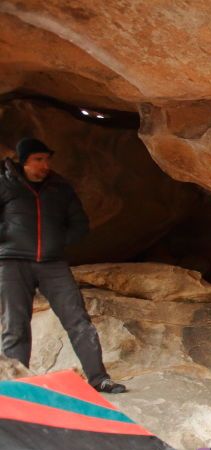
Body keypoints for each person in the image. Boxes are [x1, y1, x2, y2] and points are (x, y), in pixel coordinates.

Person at [0, 137, 126, 393]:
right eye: (38, 160)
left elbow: (80, 223)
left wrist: (58, 242)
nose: (45, 165)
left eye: (47, 159)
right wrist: (6, 236)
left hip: (52, 264)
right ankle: (16, 389)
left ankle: (99, 379)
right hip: (12, 262)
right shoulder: (4, 183)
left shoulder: (60, 187)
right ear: (24, 162)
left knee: (78, 320)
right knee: (15, 326)